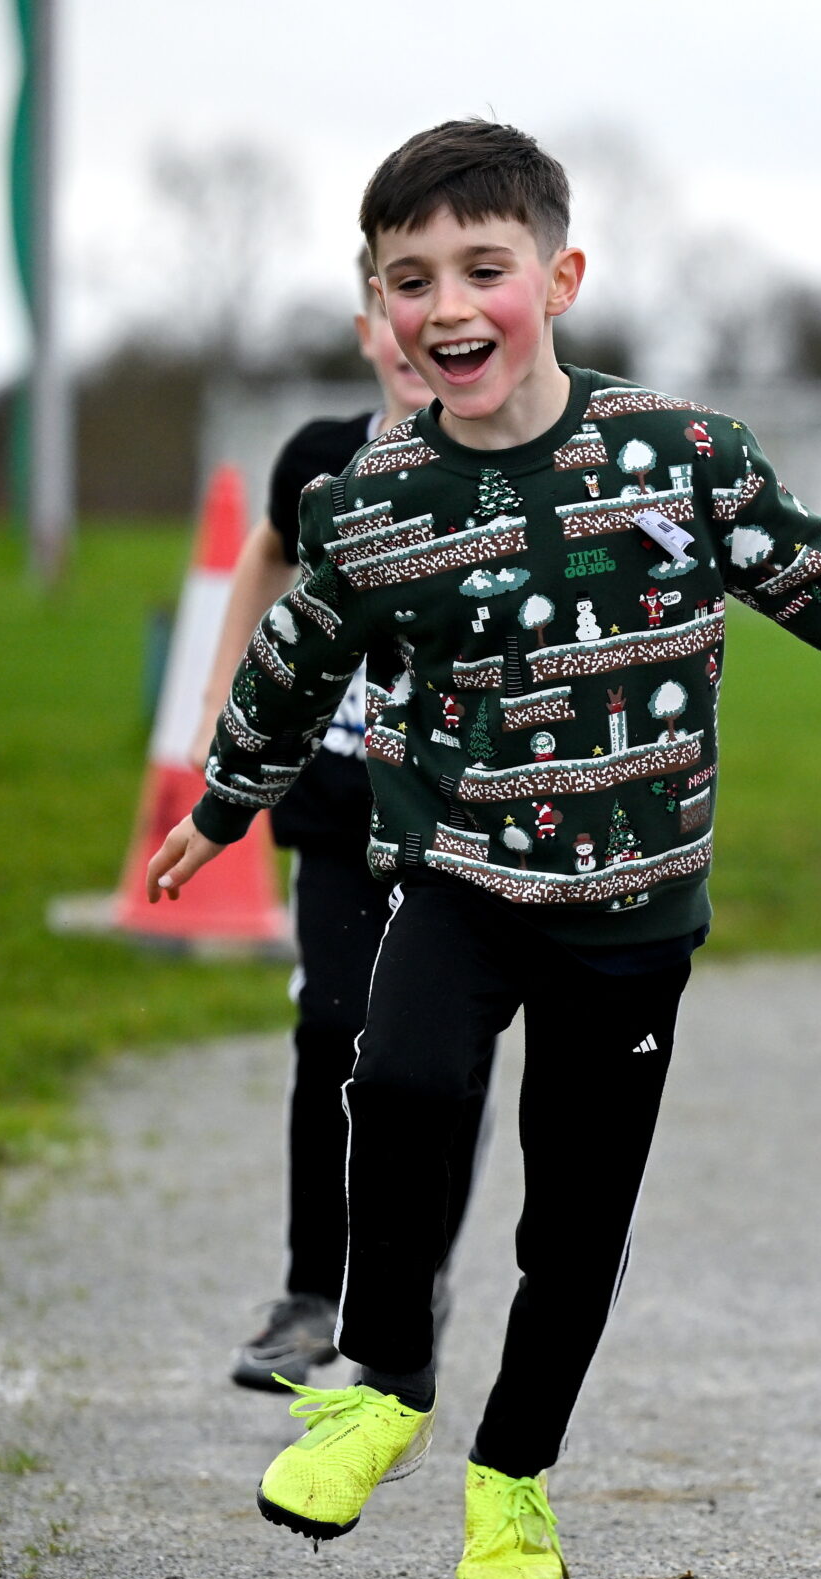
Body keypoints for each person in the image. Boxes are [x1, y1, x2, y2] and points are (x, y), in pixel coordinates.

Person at [146, 119, 821, 1579]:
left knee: (575, 1216)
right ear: (378, 309)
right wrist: (227, 798)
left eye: (481, 270)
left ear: (558, 276)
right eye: (410, 278)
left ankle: (511, 1482)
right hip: (460, 869)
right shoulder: (368, 507)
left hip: (631, 912)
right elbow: (295, 663)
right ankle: (383, 1378)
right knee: (402, 1075)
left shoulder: (678, 460)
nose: (448, 307)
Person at [187, 263, 494, 1394]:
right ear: (372, 331)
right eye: (399, 315)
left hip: (469, 806)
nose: (422, 340)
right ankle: (313, 1291)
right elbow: (267, 550)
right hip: (338, 792)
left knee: (443, 1055)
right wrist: (230, 684)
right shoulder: (319, 457)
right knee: (334, 1029)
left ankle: (410, 1284)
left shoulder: (515, 469)